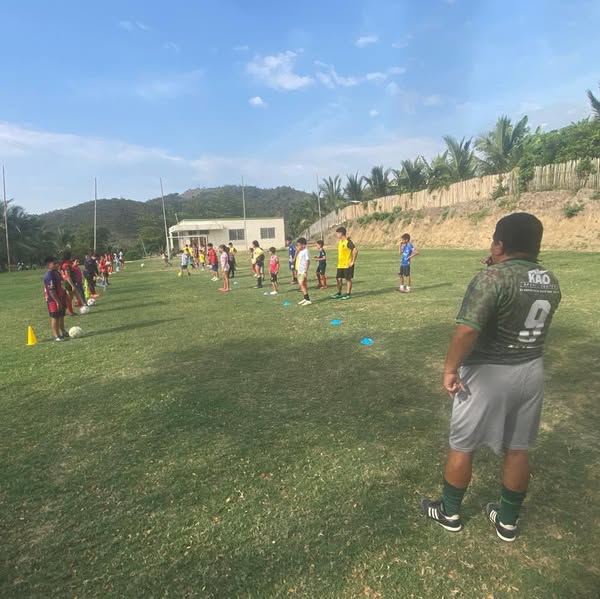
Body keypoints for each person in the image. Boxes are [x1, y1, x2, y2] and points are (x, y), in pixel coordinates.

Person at [420, 213, 562, 542]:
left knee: (462, 445)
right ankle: (507, 522)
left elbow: (467, 330)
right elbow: (519, 288)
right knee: (518, 448)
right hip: (531, 370)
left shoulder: (491, 278)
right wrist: (496, 267)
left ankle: (450, 513)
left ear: (499, 245)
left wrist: (450, 369)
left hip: (488, 373)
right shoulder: (550, 279)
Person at [43, 256, 69, 341]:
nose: (57, 264)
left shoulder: (56, 273)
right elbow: (51, 291)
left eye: (57, 263)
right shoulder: (49, 275)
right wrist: (57, 302)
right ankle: (56, 335)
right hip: (53, 300)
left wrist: (65, 294)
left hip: (61, 297)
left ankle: (63, 331)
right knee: (55, 317)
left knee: (61, 315)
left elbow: (61, 284)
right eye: (54, 263)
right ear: (48, 265)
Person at [331, 226, 358, 300]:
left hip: (347, 264)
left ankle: (348, 294)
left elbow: (355, 250)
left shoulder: (348, 242)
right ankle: (339, 293)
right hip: (340, 265)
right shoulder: (340, 242)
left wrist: (353, 261)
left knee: (348, 279)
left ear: (341, 233)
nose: (336, 235)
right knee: (338, 279)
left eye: (337, 233)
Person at [295, 237, 312, 305]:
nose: (298, 246)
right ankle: (305, 298)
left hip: (303, 271)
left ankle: (308, 300)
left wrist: (305, 271)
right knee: (302, 285)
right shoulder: (301, 251)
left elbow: (308, 261)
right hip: (300, 271)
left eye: (299, 245)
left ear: (303, 245)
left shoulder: (306, 251)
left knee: (302, 284)